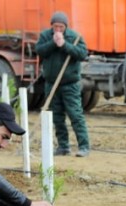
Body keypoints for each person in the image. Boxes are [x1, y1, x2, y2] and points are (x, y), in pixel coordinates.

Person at [35, 11, 91, 157]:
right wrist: (53, 43)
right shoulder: (45, 36)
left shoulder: (74, 37)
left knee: (75, 114)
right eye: (55, 26)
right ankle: (63, 146)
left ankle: (84, 146)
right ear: (51, 26)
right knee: (57, 116)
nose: (58, 30)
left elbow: (82, 54)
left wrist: (64, 45)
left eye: (61, 27)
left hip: (70, 84)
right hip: (52, 83)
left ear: (66, 26)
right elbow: (39, 51)